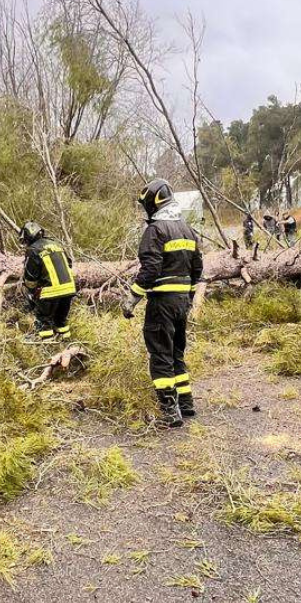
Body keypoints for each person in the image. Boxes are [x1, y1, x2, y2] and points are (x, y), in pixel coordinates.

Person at [121, 179, 204, 428]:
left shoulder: (155, 230)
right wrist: (187, 299)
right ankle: (186, 404)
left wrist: (132, 298)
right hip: (180, 303)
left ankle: (169, 411)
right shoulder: (188, 230)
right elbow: (197, 269)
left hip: (162, 303)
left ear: (153, 202)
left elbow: (151, 269)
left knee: (160, 355)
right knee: (176, 354)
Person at [21, 221, 76, 342]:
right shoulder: (57, 245)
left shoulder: (33, 250)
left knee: (43, 320)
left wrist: (31, 293)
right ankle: (65, 343)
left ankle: (46, 347)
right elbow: (69, 263)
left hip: (49, 292)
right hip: (69, 289)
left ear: (28, 237)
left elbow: (30, 278)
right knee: (61, 320)